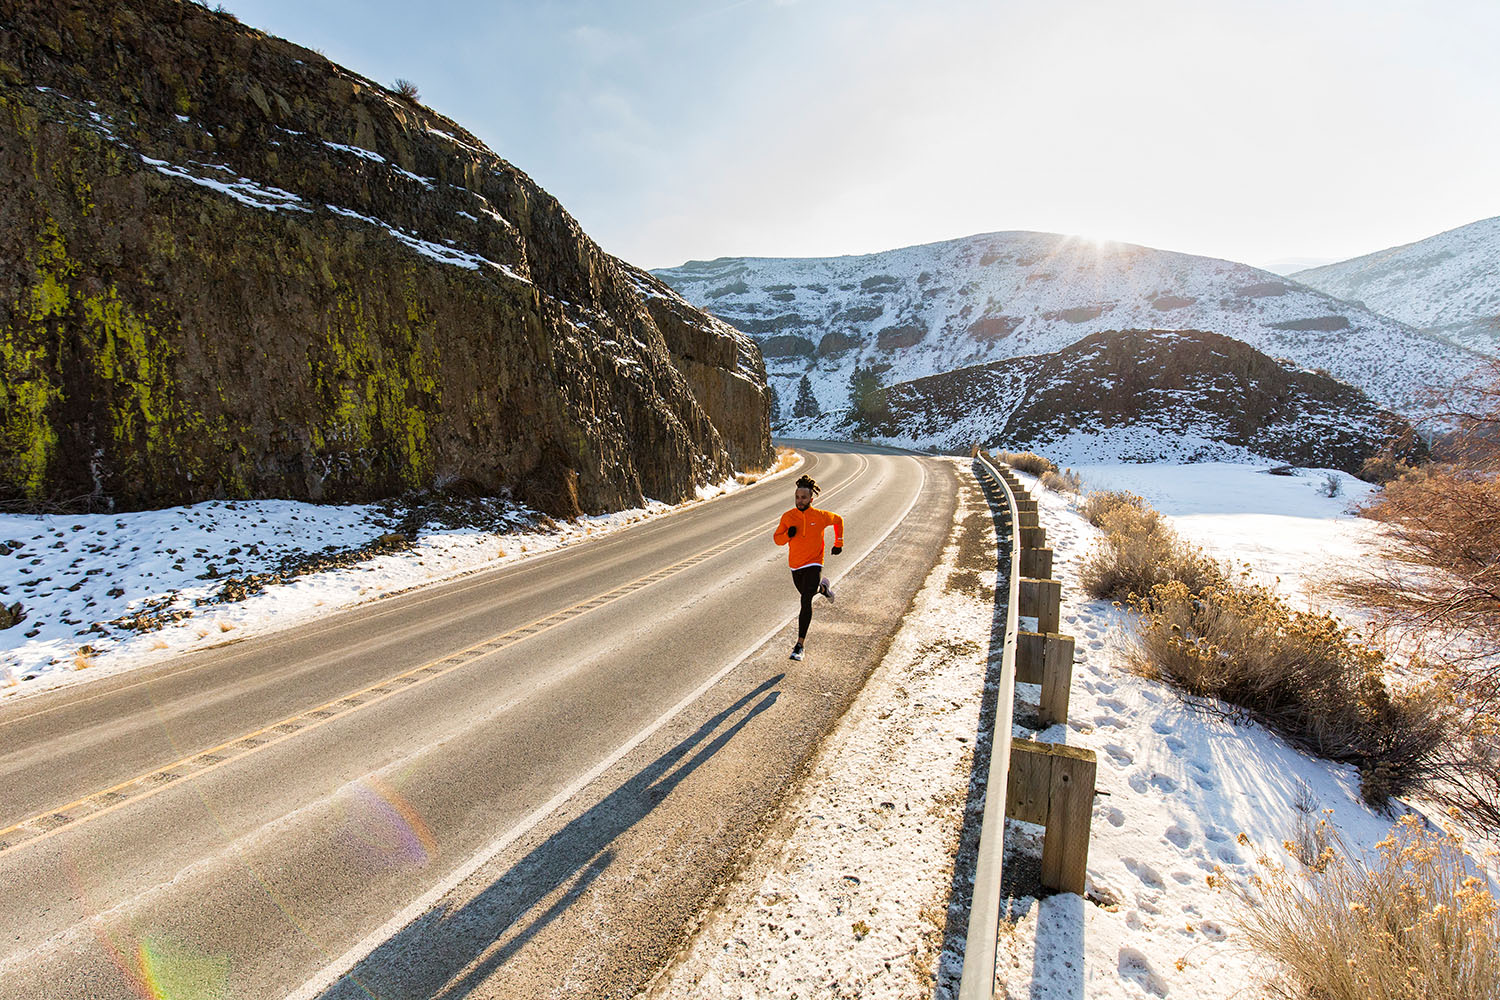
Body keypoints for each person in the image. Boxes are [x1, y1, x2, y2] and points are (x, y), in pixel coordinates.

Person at [773, 474, 844, 661]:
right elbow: (777, 539)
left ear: (811, 499)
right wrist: (788, 534)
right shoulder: (788, 517)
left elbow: (838, 520)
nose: (800, 500)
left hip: (814, 562)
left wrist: (838, 542)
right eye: (797, 497)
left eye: (803, 497)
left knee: (806, 600)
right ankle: (823, 588)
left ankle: (799, 645)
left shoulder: (820, 516)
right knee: (808, 592)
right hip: (795, 565)